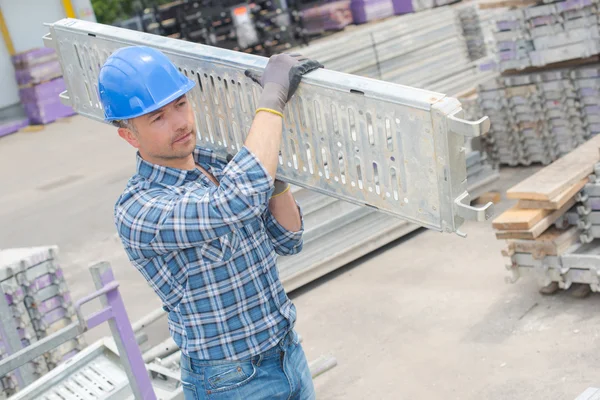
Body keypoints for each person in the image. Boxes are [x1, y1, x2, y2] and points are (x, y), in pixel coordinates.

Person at [97, 46, 322, 399]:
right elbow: (234, 202)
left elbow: (288, 239)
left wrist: (273, 175)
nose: (180, 123)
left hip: (287, 353)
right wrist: (272, 100)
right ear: (129, 135)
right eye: (157, 118)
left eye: (181, 105)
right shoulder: (140, 210)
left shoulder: (215, 165)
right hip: (231, 382)